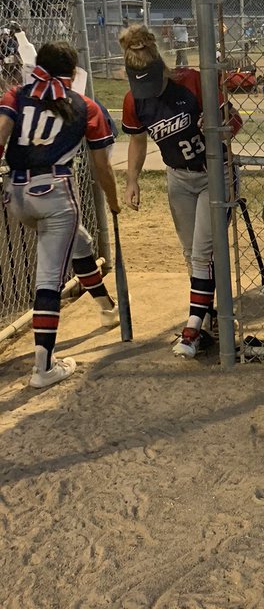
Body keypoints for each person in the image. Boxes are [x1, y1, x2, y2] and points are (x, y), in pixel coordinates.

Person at [0, 41, 120, 389]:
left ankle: (107, 308)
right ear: (73, 71)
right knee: (49, 278)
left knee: (79, 241)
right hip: (55, 194)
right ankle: (44, 368)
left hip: (17, 196)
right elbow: (102, 167)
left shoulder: (16, 94)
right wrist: (113, 203)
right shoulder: (85, 106)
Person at [120, 24, 242, 358]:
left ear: (162, 67)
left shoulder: (190, 82)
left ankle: (191, 328)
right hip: (178, 178)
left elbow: (235, 122)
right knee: (192, 254)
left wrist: (216, 126)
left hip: (215, 174)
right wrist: (132, 180)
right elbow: (137, 140)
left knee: (202, 253)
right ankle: (206, 317)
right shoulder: (134, 100)